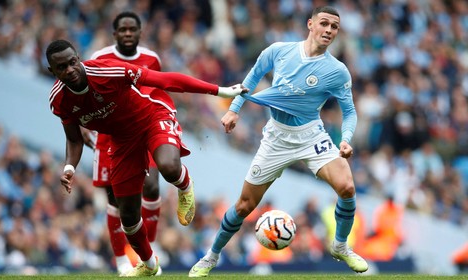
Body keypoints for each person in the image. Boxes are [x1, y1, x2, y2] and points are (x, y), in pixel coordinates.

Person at [189, 6, 368, 277]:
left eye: (334, 27)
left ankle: (341, 246)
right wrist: (233, 109)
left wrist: (345, 140)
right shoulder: (278, 51)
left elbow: (350, 111)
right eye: (324, 23)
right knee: (244, 206)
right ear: (310, 24)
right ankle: (211, 257)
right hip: (277, 137)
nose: (329, 30)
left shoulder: (338, 71)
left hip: (311, 135)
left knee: (346, 186)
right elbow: (251, 79)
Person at [46, 39, 247, 277]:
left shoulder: (107, 70)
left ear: (78, 57)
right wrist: (69, 167)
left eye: (72, 62)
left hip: (151, 118)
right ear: (53, 71)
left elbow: (166, 80)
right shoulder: (58, 100)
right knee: (128, 217)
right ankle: (150, 265)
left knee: (168, 167)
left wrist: (220, 91)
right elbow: (74, 139)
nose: (70, 69)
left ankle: (184, 185)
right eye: (62, 67)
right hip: (121, 141)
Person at [82, 11, 171, 275]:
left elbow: (158, 90)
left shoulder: (152, 58)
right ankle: (121, 259)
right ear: (115, 33)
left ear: (141, 32)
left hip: (143, 130)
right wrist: (80, 124)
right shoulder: (99, 58)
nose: (128, 34)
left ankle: (149, 251)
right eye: (123, 30)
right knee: (116, 200)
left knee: (153, 186)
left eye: (133, 29)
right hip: (109, 134)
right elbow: (79, 92)